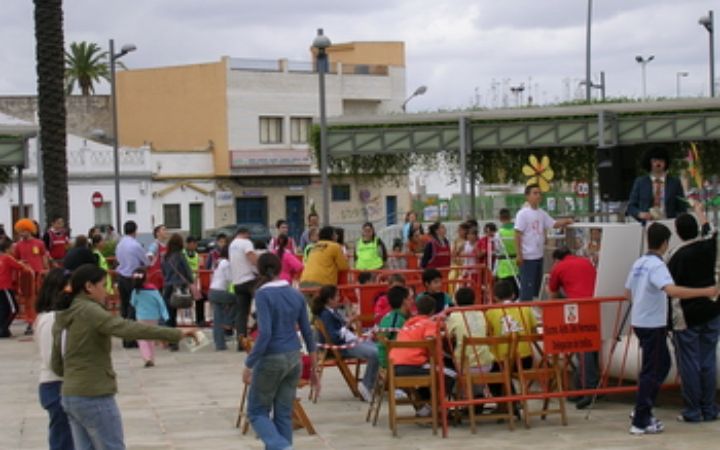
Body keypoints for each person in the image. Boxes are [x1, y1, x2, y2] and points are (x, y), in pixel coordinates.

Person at [51, 264, 195, 450]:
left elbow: (56, 363)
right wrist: (175, 334)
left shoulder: (65, 314)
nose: (108, 291)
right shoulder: (89, 311)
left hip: (71, 394)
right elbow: (127, 328)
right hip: (93, 394)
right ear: (89, 287)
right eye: (103, 285)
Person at [625, 223, 718, 435]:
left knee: (660, 365)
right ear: (665, 242)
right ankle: (641, 419)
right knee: (655, 369)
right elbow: (671, 290)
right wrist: (705, 291)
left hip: (641, 322)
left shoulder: (639, 263)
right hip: (652, 324)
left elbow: (627, 294)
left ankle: (642, 408)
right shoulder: (657, 266)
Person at [243, 253, 318, 450]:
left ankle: (280, 446)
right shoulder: (296, 294)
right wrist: (314, 366)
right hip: (295, 356)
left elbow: (265, 333)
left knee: (257, 411)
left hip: (271, 357)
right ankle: (282, 445)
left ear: (260, 271)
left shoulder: (262, 294)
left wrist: (249, 363)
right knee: (283, 413)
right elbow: (308, 332)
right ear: (280, 269)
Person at [668, 204, 720, 423]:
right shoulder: (710, 247)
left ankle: (692, 410)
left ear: (677, 233)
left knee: (689, 362)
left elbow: (670, 289)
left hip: (687, 316)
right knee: (708, 359)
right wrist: (699, 210)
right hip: (712, 310)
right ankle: (709, 408)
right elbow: (710, 230)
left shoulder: (676, 257)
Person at [546, 246, 598, 410]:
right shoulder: (586, 262)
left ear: (556, 259)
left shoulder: (559, 267)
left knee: (583, 348)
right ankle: (589, 385)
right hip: (595, 305)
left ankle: (587, 390)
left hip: (577, 308)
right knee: (592, 346)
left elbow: (552, 295)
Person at [311, 285, 379, 401]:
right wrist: (347, 324)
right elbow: (335, 337)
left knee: (380, 349)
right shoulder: (326, 315)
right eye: (337, 296)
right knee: (375, 353)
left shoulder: (332, 311)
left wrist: (348, 316)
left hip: (348, 342)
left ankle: (370, 383)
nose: (339, 298)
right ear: (329, 299)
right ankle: (367, 385)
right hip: (343, 346)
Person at [389, 295, 451, 417]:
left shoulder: (408, 323)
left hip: (394, 367)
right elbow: (430, 341)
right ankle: (435, 408)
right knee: (449, 375)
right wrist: (439, 359)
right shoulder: (429, 324)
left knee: (431, 371)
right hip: (412, 365)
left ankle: (424, 406)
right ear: (433, 311)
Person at [34, 268, 74, 450]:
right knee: (64, 441)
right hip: (57, 384)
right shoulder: (52, 319)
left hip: (58, 384)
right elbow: (55, 359)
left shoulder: (51, 318)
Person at [514, 184, 573, 301]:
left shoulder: (542, 213)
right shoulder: (523, 213)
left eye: (539, 193)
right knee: (527, 288)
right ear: (527, 196)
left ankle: (535, 312)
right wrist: (519, 254)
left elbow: (553, 224)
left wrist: (567, 221)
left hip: (539, 255)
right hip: (527, 257)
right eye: (535, 193)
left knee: (537, 287)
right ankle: (526, 311)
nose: (538, 196)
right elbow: (517, 234)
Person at [485, 280, 537, 371]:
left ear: (495, 298)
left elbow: (487, 336)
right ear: (513, 295)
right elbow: (534, 333)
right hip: (526, 360)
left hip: (500, 362)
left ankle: (506, 385)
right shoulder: (526, 309)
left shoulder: (490, 312)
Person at [114, 221, 150, 348]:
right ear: (135, 230)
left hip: (121, 276)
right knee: (133, 307)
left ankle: (125, 337)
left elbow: (117, 259)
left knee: (124, 307)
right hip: (132, 277)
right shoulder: (135, 245)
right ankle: (130, 338)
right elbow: (145, 261)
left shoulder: (120, 244)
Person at [627, 147, 687, 222]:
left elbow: (682, 208)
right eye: (654, 161)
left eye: (661, 161)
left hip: (670, 223)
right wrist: (640, 214)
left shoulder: (675, 183)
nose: (658, 164)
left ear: (665, 163)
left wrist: (676, 221)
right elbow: (631, 207)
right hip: (647, 224)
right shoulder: (640, 182)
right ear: (649, 162)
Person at [446, 287, 493, 374]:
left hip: (464, 365)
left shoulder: (454, 316)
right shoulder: (481, 314)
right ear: (474, 300)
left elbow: (447, 335)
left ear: (456, 302)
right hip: (487, 363)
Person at [130, 268, 169, 367]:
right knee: (151, 337)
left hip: (141, 317)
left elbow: (132, 303)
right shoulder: (153, 290)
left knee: (142, 338)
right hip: (154, 317)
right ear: (146, 278)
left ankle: (147, 358)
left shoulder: (136, 291)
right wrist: (165, 315)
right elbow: (161, 303)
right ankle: (151, 358)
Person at [229, 226, 258, 349]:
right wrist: (262, 265)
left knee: (241, 313)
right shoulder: (246, 243)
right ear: (246, 234)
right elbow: (251, 257)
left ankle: (241, 342)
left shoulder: (232, 244)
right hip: (249, 280)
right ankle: (259, 334)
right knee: (261, 307)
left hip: (237, 282)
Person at [161, 233, 194, 333]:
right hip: (178, 287)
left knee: (169, 312)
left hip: (167, 286)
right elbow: (187, 271)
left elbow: (163, 271)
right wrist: (190, 281)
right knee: (174, 312)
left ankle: (168, 335)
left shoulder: (165, 257)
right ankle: (173, 337)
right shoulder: (180, 256)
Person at [376, 285, 413, 369]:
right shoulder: (397, 321)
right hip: (393, 364)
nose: (412, 301)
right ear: (404, 301)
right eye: (410, 298)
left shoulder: (392, 317)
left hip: (392, 360)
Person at [0, 237, 30, 337]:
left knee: (4, 309)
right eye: (12, 248)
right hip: (5, 286)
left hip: (2, 287)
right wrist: (25, 265)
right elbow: (19, 267)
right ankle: (3, 328)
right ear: (7, 249)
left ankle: (4, 329)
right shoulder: (7, 257)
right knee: (14, 309)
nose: (14, 250)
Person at [208, 245, 236, 351]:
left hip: (213, 291)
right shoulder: (226, 263)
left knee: (217, 318)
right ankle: (228, 322)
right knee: (238, 300)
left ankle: (220, 344)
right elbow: (230, 278)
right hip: (219, 292)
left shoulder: (220, 262)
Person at [496, 208, 519, 299]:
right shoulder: (517, 231)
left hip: (504, 265)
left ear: (500, 218)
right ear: (510, 217)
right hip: (517, 264)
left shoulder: (499, 233)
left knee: (505, 292)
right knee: (517, 289)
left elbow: (497, 249)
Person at [184, 236, 206, 327]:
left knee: (200, 298)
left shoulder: (197, 255)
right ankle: (186, 318)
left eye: (196, 244)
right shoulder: (182, 254)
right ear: (188, 244)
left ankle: (200, 320)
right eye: (193, 243)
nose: (195, 246)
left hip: (194, 281)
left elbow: (199, 267)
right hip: (184, 281)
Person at [147, 225, 168, 290]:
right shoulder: (155, 245)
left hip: (162, 276)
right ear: (157, 233)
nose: (166, 232)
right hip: (155, 277)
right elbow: (148, 255)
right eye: (163, 230)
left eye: (166, 230)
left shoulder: (165, 245)